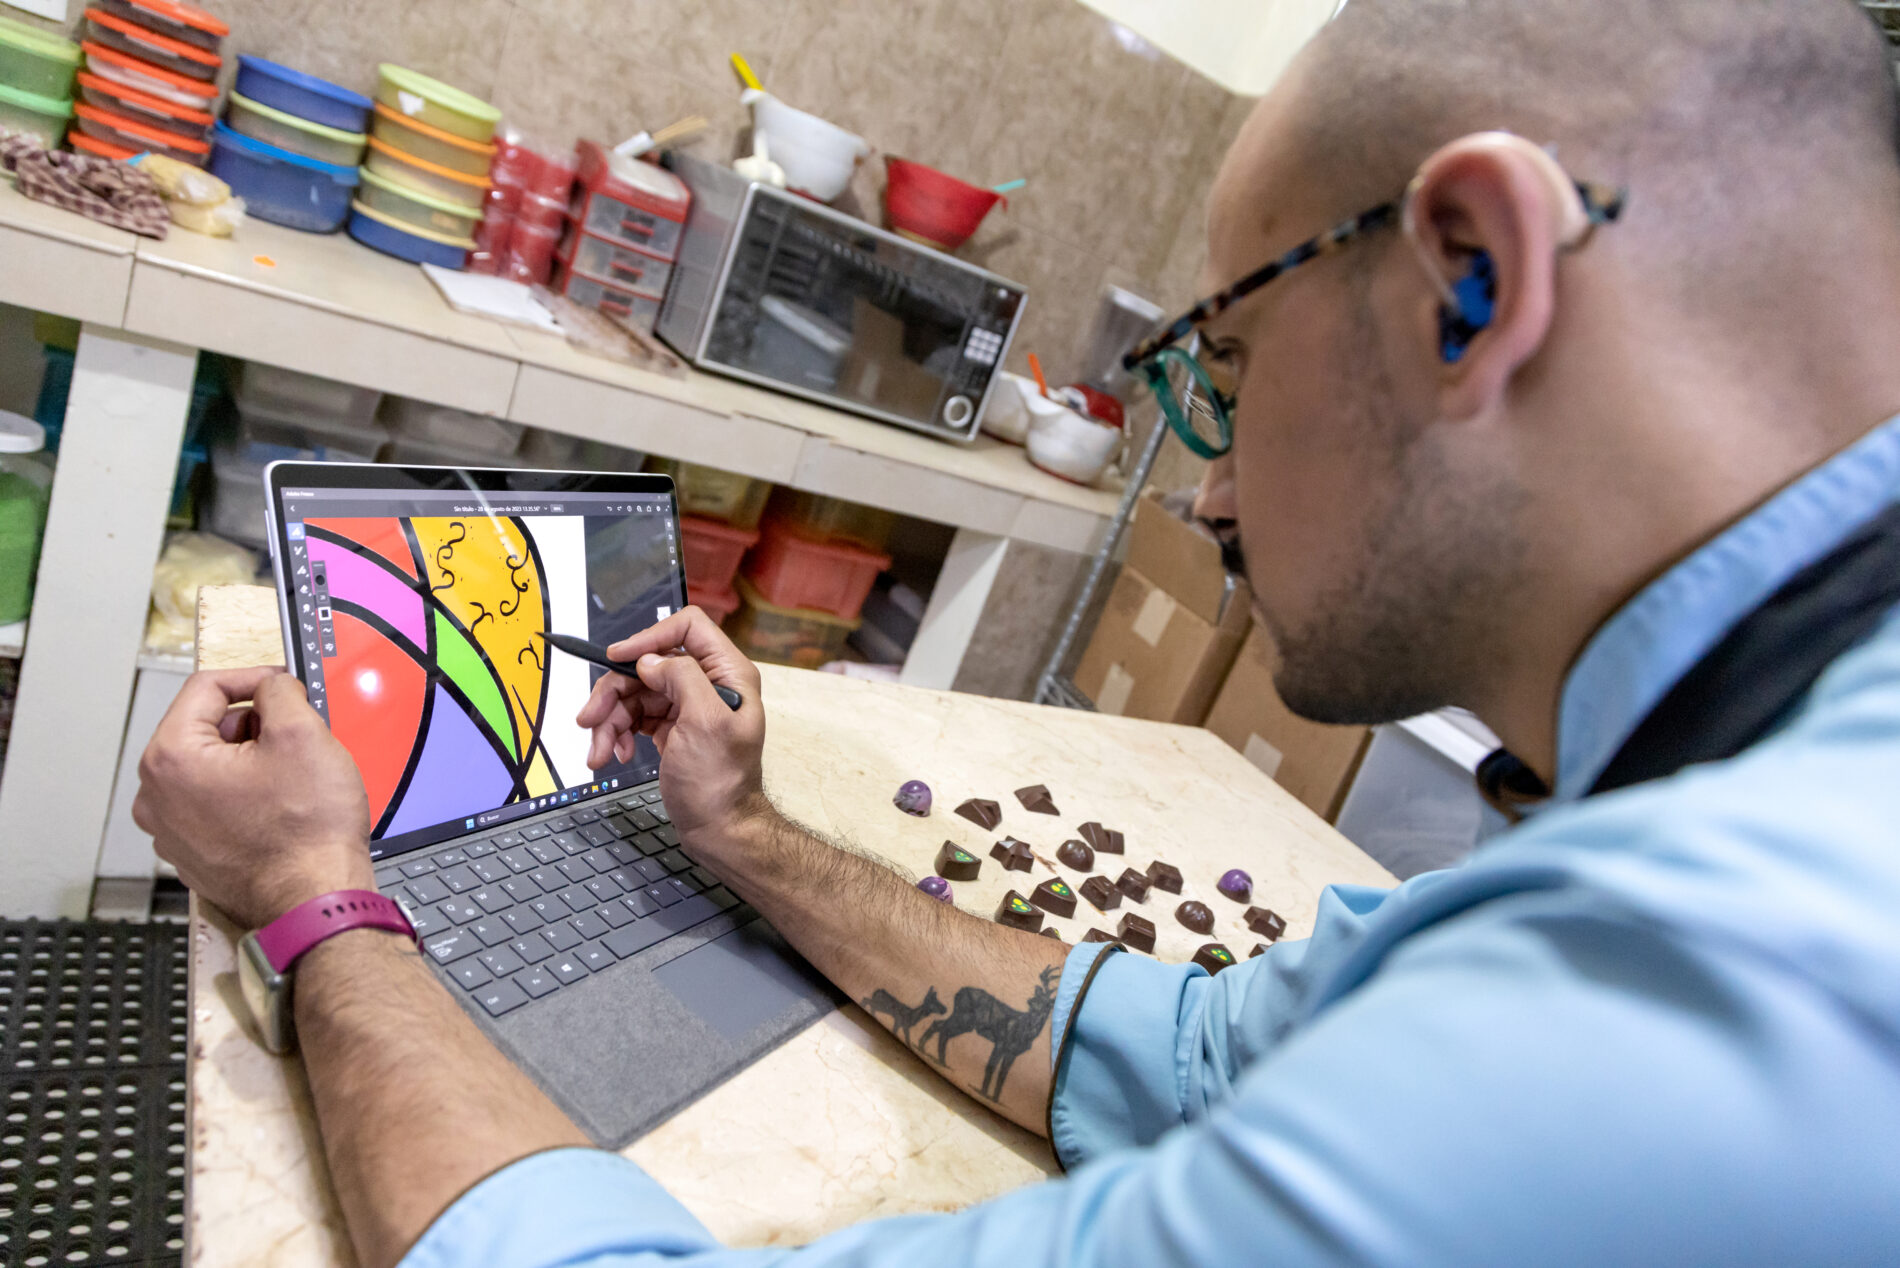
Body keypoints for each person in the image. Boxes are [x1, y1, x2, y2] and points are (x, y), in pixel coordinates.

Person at [135, 0, 1900, 1263]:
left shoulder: (1731, 985)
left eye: (1223, 368)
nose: (1203, 501)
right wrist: (745, 837)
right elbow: (1194, 1057)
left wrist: (319, 897)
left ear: (1474, 280)